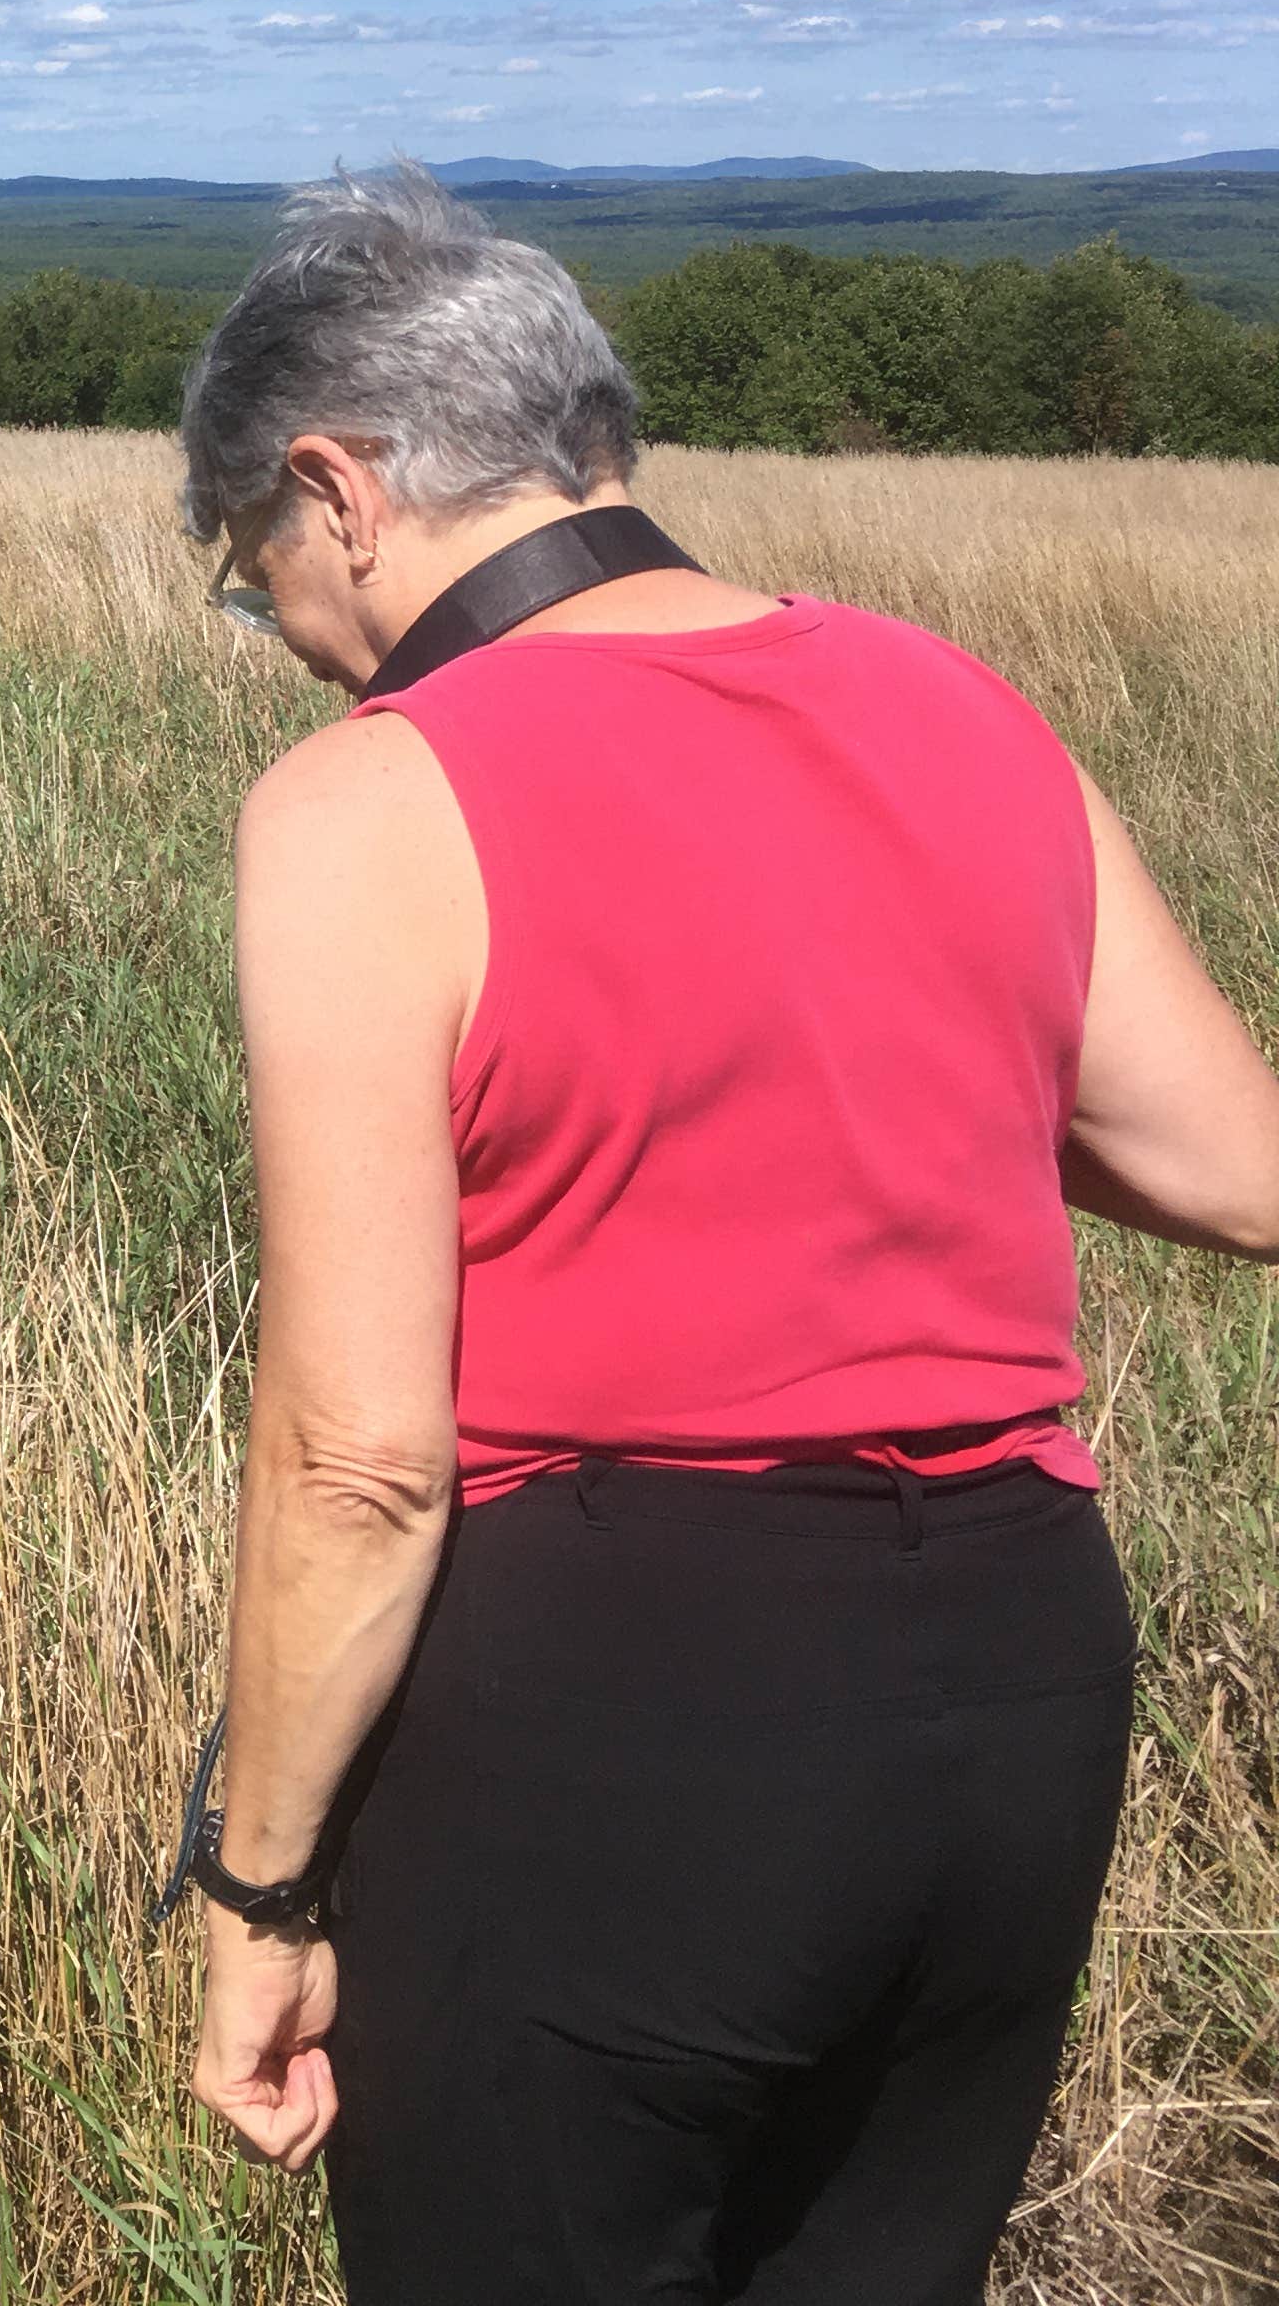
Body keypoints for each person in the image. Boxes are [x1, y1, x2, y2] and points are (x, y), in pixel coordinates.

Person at [168, 165, 1279, 2302]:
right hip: (1017, 1677)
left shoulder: (375, 802)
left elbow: (364, 1463)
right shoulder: (963, 707)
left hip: (619, 1713)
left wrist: (259, 1887)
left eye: (259, 575)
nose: (288, 639)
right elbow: (1241, 1168)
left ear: (345, 484)